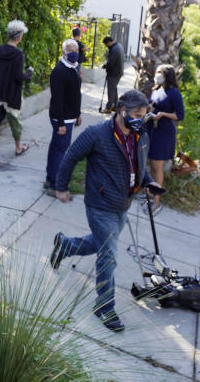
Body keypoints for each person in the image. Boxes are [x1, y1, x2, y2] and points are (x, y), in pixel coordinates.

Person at [49, 90, 162, 332]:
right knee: (108, 255)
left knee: (99, 244)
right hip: (100, 205)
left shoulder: (140, 136)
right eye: (136, 114)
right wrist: (61, 186)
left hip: (123, 204)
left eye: (143, 115)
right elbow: (70, 157)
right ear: (122, 111)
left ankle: (65, 246)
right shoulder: (97, 134)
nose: (140, 119)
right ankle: (104, 306)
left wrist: (149, 182)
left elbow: (139, 164)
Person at [0, 20, 34, 161]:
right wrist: (28, 76)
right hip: (11, 95)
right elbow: (17, 76)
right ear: (19, 36)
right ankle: (18, 148)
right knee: (15, 122)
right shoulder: (18, 55)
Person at [45, 38, 82, 194]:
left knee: (56, 148)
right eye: (70, 51)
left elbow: (75, 94)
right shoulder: (60, 72)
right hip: (62, 119)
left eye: (76, 51)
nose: (74, 54)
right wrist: (60, 123)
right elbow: (58, 99)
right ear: (64, 53)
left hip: (69, 116)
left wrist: (78, 114)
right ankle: (54, 184)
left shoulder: (73, 67)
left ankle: (50, 179)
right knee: (60, 150)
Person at [147, 64, 184, 213]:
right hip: (152, 130)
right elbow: (153, 105)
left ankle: (156, 200)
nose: (157, 75)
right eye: (156, 72)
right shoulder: (156, 89)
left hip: (164, 133)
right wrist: (150, 109)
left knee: (157, 167)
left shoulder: (174, 93)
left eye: (160, 73)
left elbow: (179, 115)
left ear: (167, 76)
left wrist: (163, 114)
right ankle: (150, 192)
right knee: (150, 164)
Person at [101, 36, 124, 113]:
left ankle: (108, 108)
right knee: (114, 89)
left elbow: (111, 62)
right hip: (118, 72)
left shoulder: (114, 49)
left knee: (111, 90)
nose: (107, 47)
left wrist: (105, 66)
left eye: (106, 45)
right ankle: (116, 106)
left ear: (109, 42)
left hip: (114, 73)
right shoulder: (118, 46)